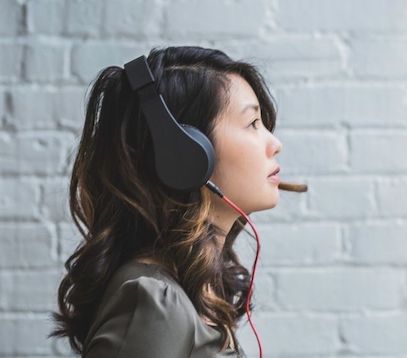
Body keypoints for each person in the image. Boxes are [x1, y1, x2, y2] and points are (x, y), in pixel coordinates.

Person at [49, 46, 286, 357]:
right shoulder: (152, 300)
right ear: (185, 155)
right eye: (253, 124)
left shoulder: (188, 293)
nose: (275, 144)